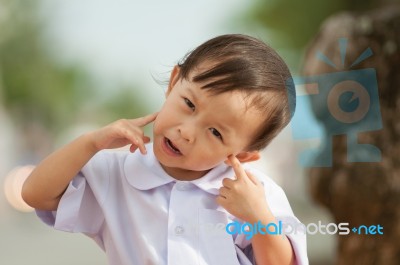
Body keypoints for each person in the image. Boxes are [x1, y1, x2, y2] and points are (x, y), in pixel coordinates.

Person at [22, 34, 308, 265]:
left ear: (243, 155)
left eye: (215, 132)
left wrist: (258, 217)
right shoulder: (117, 174)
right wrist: (91, 142)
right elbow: (35, 194)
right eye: (190, 104)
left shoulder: (255, 195)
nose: (186, 131)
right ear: (174, 83)